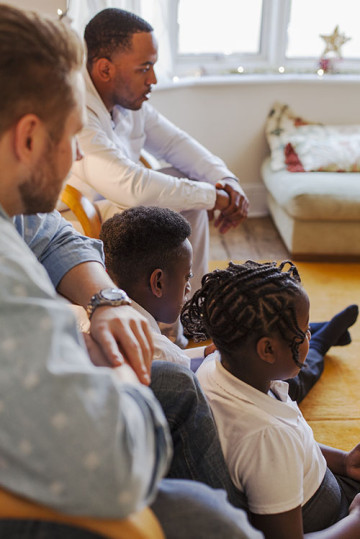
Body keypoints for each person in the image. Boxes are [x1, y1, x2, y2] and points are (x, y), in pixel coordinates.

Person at [0, 5, 266, 538]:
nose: (76, 150)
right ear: (28, 139)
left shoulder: (15, 208)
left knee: (173, 378)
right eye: (69, 137)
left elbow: (52, 232)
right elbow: (116, 471)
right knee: (211, 519)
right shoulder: (10, 283)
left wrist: (108, 301)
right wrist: (122, 371)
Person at [67, 7, 249, 301]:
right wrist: (215, 197)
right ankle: (180, 323)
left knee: (187, 187)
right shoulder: (77, 111)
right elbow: (131, 188)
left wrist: (226, 181)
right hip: (85, 219)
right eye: (144, 67)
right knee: (185, 201)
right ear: (104, 69)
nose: (153, 78)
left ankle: (196, 309)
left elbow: (176, 144)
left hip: (121, 208)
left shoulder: (129, 101)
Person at [100, 206, 355, 402]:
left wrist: (204, 352)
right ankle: (323, 338)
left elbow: (175, 357)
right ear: (158, 283)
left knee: (264, 339)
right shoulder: (163, 355)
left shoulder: (99, 311)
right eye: (187, 277)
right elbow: (178, 367)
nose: (190, 286)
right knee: (287, 375)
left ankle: (309, 331)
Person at [181, 260, 360, 538]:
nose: (308, 335)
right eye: (303, 331)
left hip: (324, 481)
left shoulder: (218, 365)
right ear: (267, 349)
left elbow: (295, 441)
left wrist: (343, 460)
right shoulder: (267, 437)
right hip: (331, 520)